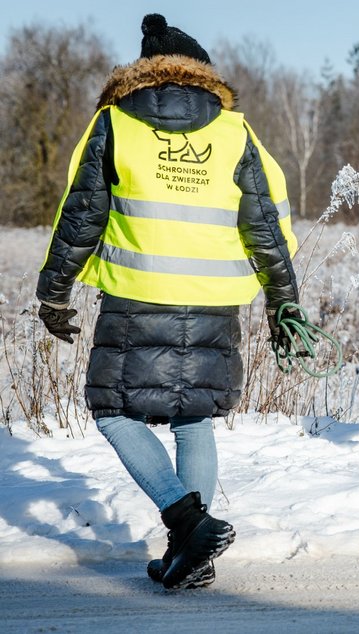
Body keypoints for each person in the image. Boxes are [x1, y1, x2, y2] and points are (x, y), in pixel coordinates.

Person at [35, 14, 301, 589]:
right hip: (214, 300)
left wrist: (54, 290)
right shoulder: (234, 132)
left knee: (112, 411)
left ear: (141, 74)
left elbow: (83, 213)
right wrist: (286, 304)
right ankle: (192, 555)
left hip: (137, 295)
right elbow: (266, 228)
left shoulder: (114, 123)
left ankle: (187, 523)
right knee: (193, 417)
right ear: (202, 74)